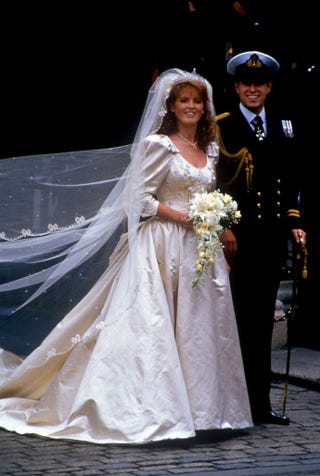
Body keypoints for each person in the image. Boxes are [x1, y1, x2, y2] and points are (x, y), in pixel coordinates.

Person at [0, 68, 252, 444]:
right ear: (171, 105)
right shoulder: (158, 144)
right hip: (162, 243)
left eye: (197, 101)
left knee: (198, 327)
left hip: (199, 248)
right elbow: (140, 199)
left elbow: (209, 197)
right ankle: (155, 409)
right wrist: (184, 217)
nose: (192, 107)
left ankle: (205, 411)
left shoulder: (209, 149)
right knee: (155, 324)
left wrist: (214, 230)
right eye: (184, 100)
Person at [216, 51, 306, 426]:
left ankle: (260, 404)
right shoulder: (221, 125)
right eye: (246, 84)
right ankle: (232, 404)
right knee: (236, 321)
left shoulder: (284, 125)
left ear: (269, 87)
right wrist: (223, 226)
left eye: (260, 84)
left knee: (261, 325)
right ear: (237, 87)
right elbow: (214, 180)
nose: (253, 89)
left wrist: (295, 223)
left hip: (269, 238)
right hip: (237, 240)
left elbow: (290, 177)